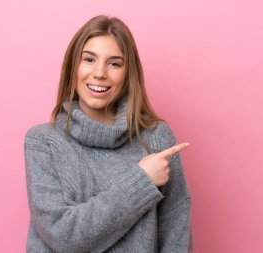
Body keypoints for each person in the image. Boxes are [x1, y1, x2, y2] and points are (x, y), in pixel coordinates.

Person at [24, 15, 193, 253]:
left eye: (114, 63)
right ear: (73, 66)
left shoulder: (156, 138)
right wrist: (142, 182)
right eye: (89, 59)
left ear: (127, 74)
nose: (100, 73)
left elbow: (176, 231)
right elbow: (63, 236)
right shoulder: (43, 141)